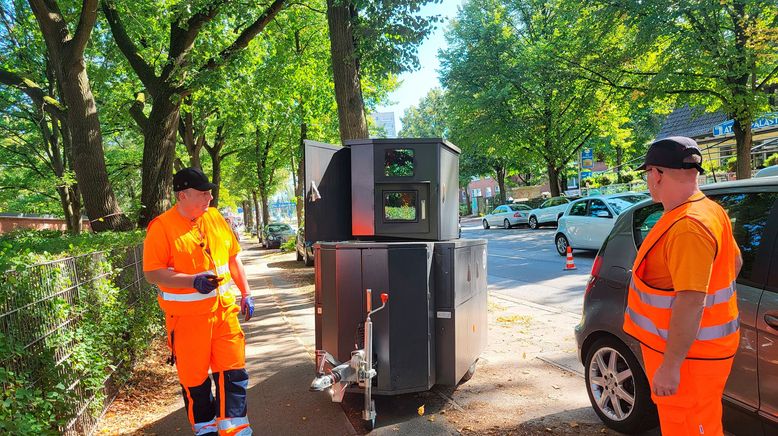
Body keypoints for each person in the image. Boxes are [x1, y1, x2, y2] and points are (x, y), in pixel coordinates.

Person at [623, 136, 741, 436]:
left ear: (657, 174)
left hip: (689, 361)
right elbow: (734, 262)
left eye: (647, 174)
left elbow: (691, 300)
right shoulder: (709, 210)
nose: (648, 181)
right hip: (696, 354)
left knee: (692, 428)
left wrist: (671, 366)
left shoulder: (687, 226)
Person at [143, 167, 255, 436]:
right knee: (195, 381)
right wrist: (191, 281)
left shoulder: (215, 218)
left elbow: (233, 257)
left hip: (224, 314)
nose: (209, 198)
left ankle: (236, 430)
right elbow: (152, 273)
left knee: (233, 372)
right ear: (182, 195)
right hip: (188, 321)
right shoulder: (162, 227)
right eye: (203, 194)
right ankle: (205, 429)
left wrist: (246, 292)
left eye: (209, 193)